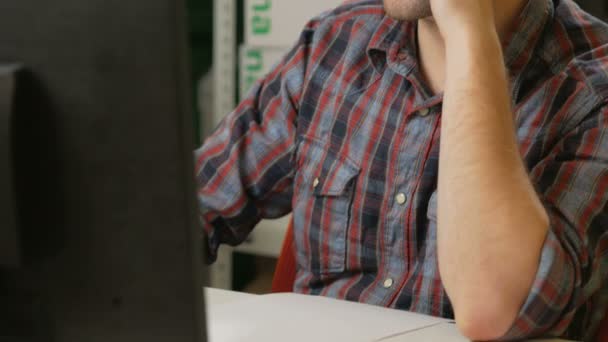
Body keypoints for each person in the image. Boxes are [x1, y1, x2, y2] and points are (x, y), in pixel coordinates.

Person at [194, 0, 608, 340]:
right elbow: (187, 209)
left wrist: (467, 33)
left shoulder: (593, 85)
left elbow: (493, 310)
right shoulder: (335, 43)